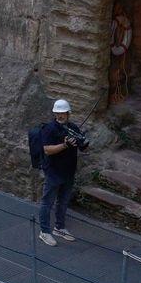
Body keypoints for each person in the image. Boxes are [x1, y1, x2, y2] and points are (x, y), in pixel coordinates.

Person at [37, 98, 82, 246]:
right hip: (53, 172)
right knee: (47, 203)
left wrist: (81, 142)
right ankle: (44, 231)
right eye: (57, 113)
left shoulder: (73, 128)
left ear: (68, 113)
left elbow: (81, 145)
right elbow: (47, 150)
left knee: (63, 202)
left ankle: (59, 228)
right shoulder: (49, 129)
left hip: (68, 172)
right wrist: (65, 145)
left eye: (62, 113)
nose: (60, 116)